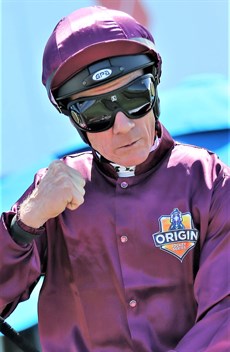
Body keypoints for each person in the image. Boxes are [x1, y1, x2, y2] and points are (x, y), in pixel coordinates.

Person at [0, 5, 229, 352]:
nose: (122, 125)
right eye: (97, 112)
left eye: (134, 96)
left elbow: (224, 312)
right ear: (76, 122)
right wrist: (23, 224)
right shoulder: (50, 192)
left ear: (155, 90)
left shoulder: (209, 180)